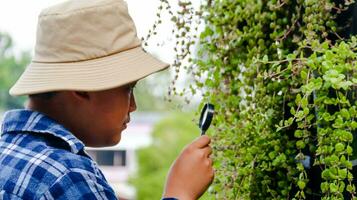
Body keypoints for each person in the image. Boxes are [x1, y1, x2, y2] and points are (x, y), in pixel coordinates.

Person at [0, 0, 214, 199]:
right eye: (128, 89)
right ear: (82, 87)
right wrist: (180, 192)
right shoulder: (66, 177)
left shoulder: (8, 153)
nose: (133, 106)